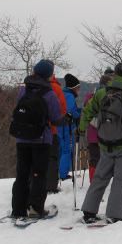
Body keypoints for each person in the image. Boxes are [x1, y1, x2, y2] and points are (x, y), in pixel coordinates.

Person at [78, 62, 122, 223]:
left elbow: (88, 111)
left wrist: (82, 129)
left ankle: (89, 211)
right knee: (121, 180)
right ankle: (115, 214)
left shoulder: (102, 93)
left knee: (100, 177)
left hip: (104, 142)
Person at [10, 59, 65, 218]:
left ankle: (18, 209)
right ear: (49, 74)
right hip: (41, 139)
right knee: (39, 174)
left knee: (21, 174)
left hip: (21, 138)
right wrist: (64, 120)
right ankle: (35, 208)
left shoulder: (23, 90)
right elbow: (55, 118)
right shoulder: (49, 93)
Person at [84, 74, 112, 183]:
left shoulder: (90, 97)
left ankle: (93, 181)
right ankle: (102, 180)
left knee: (94, 158)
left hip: (92, 132)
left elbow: (86, 114)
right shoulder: (110, 96)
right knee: (106, 158)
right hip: (107, 132)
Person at [45, 64, 67, 193]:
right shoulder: (55, 88)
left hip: (28, 132)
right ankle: (51, 185)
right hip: (51, 129)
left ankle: (31, 185)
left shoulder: (27, 86)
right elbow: (62, 110)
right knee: (52, 158)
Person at [58, 73, 82, 180]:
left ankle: (57, 172)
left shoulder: (61, 93)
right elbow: (71, 111)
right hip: (66, 127)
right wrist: (81, 113)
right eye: (78, 88)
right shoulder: (70, 96)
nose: (79, 90)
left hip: (58, 126)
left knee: (60, 149)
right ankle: (63, 174)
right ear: (73, 87)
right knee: (67, 150)